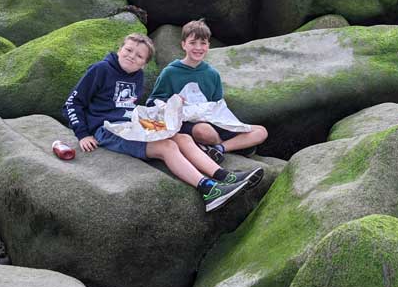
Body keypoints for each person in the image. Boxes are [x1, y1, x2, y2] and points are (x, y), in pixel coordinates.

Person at [63, 33, 263, 212]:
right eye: (128, 50)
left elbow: (129, 107)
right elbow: (73, 102)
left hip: (133, 124)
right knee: (166, 146)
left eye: (139, 56)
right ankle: (208, 190)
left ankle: (224, 176)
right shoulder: (101, 69)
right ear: (119, 50)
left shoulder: (137, 75)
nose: (132, 56)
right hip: (108, 129)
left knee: (182, 137)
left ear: (144, 64)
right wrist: (83, 134)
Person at [148, 19, 268, 164]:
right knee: (204, 131)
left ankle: (220, 148)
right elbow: (153, 102)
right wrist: (174, 101)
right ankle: (238, 146)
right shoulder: (170, 72)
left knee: (261, 131)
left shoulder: (212, 74)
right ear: (183, 44)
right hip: (187, 121)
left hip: (213, 120)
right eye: (193, 43)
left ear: (208, 46)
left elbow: (218, 106)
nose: (198, 47)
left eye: (203, 43)